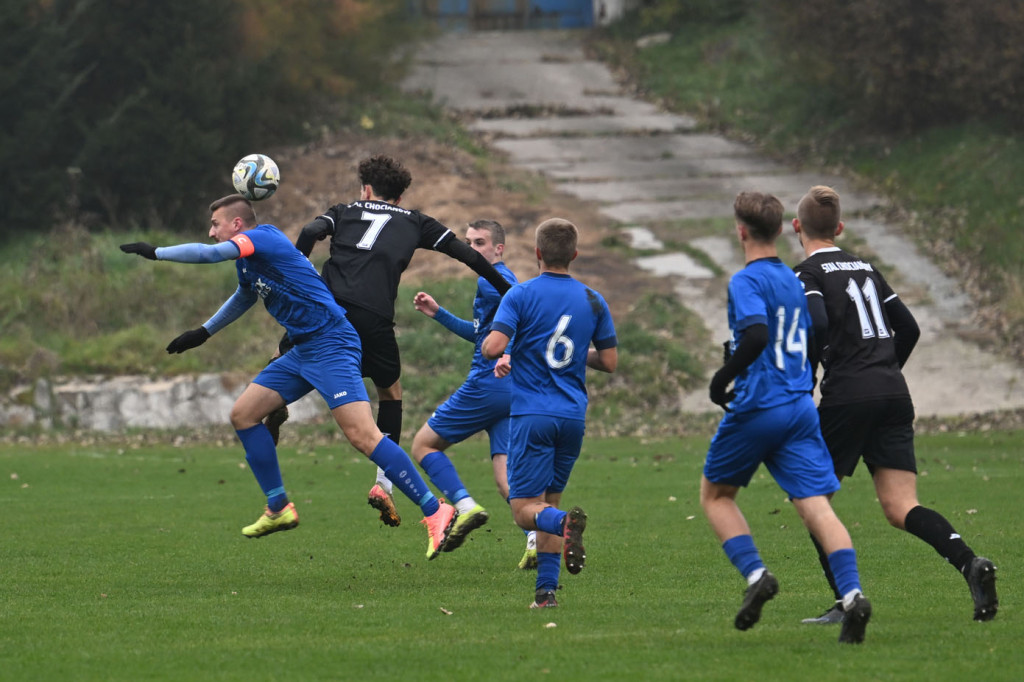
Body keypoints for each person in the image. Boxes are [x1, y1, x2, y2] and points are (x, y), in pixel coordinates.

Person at [119, 194, 456, 559]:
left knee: (363, 436)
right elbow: (244, 296)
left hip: (332, 343)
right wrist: (204, 332)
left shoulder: (264, 237)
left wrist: (156, 252)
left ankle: (436, 511)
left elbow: (209, 254)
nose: (211, 232)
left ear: (237, 225)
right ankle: (278, 506)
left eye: (216, 224)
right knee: (244, 415)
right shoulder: (248, 262)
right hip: (303, 350)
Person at [271, 155, 513, 530]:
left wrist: (299, 278)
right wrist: (511, 292)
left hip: (324, 312)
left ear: (366, 188)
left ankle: (275, 408)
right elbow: (469, 257)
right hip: (372, 319)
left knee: (284, 355)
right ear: (398, 197)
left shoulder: (344, 210)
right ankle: (384, 484)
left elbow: (308, 230)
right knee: (390, 393)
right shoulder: (416, 221)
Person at [792, 185, 998, 623]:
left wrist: (808, 381)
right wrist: (883, 371)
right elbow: (909, 328)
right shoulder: (866, 268)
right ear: (840, 228)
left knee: (811, 498)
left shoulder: (806, 274)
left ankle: (847, 603)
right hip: (892, 392)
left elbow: (816, 322)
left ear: (797, 227)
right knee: (901, 506)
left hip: (848, 395)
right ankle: (970, 563)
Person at [702, 191, 871, 644]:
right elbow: (810, 329)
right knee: (815, 503)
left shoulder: (747, 280)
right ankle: (852, 596)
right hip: (799, 406)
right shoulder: (794, 279)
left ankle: (757, 575)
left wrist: (723, 378)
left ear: (741, 231)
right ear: (780, 230)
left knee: (716, 496)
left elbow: (756, 334)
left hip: (761, 405)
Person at [481, 218, 618, 609]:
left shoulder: (521, 295)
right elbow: (608, 361)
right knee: (548, 504)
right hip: (572, 417)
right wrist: (574, 354)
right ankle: (546, 594)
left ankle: (564, 525)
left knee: (526, 511)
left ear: (537, 253)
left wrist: (510, 342)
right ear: (574, 254)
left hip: (532, 415)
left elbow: (493, 348)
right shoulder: (593, 299)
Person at [408, 219, 536, 564]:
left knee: (422, 445)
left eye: (479, 243)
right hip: (511, 388)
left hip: (489, 383)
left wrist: (509, 353)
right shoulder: (495, 281)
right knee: (505, 478)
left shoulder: (497, 281)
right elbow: (483, 336)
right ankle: (536, 538)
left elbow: (526, 316)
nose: (471, 249)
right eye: (467, 243)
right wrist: (439, 314)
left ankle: (464, 506)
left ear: (499, 249)